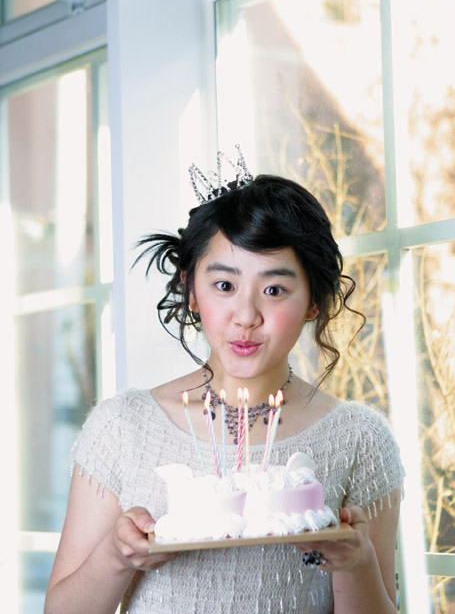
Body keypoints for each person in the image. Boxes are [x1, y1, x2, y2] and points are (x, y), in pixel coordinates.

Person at [45, 149, 404, 614]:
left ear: (313, 302)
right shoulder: (123, 428)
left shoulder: (359, 439)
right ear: (191, 291)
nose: (246, 316)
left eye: (274, 289)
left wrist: (357, 564)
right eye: (225, 285)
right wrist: (116, 556)